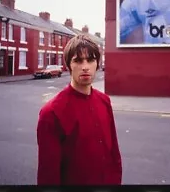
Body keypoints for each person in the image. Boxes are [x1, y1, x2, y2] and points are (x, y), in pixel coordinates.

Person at [36, 34, 122, 185]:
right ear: (69, 65)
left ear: (97, 64)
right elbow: (48, 174)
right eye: (78, 60)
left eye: (90, 60)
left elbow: (113, 153)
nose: (85, 66)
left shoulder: (104, 101)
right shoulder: (51, 113)